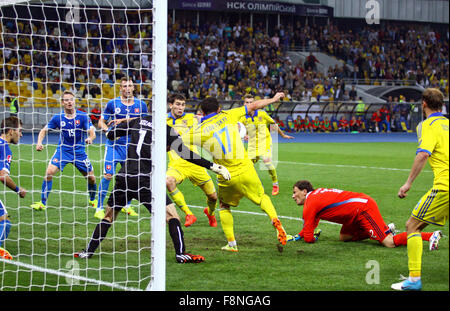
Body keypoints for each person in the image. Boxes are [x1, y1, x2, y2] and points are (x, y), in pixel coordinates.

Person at [74, 116, 231, 263]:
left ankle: (88, 251)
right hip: (144, 180)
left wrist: (118, 127)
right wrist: (213, 166)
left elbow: (111, 134)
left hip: (124, 177)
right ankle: (181, 254)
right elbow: (185, 153)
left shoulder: (138, 121)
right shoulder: (166, 129)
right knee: (171, 216)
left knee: (108, 217)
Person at [183, 93, 288, 252]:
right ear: (219, 109)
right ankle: (275, 220)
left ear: (203, 113)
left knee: (224, 206)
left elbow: (175, 141)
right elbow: (254, 105)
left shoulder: (198, 131)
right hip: (246, 168)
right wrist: (274, 99)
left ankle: (232, 244)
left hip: (226, 175)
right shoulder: (230, 114)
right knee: (261, 197)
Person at [392, 88, 449, 291]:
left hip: (445, 187)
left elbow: (423, 154)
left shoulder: (427, 125)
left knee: (412, 226)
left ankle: (414, 280)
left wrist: (408, 183)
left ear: (423, 103)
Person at [289, 180, 440, 249]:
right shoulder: (315, 196)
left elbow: (309, 238)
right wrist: (300, 235)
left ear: (304, 192)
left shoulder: (310, 203)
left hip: (362, 209)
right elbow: (311, 225)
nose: (293, 196)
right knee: (344, 237)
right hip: (354, 211)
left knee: (389, 243)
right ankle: (384, 229)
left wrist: (309, 236)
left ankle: (430, 235)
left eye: (295, 192)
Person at [30, 91, 97, 211]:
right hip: (63, 150)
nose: (69, 102)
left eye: (71, 99)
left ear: (74, 101)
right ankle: (42, 203)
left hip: (79, 151)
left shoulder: (83, 116)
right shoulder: (57, 118)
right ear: (62, 102)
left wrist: (90, 138)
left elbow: (92, 132)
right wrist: (39, 142)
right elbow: (43, 131)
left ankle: (92, 200)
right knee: (49, 173)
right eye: (66, 100)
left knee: (91, 178)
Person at [95, 77, 148, 219]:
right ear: (120, 88)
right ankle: (99, 207)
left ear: (134, 88)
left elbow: (144, 121)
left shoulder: (141, 104)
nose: (127, 89)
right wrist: (108, 132)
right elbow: (101, 122)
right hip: (114, 146)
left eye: (130, 86)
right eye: (124, 86)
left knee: (130, 177)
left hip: (132, 147)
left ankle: (127, 206)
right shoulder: (113, 103)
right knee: (108, 175)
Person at [166, 93, 218, 227]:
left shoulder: (192, 118)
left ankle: (210, 213)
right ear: (171, 105)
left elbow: (212, 120)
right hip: (177, 165)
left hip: (195, 163)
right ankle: (189, 214)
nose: (180, 108)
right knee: (168, 181)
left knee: (213, 197)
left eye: (183, 105)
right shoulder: (163, 121)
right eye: (177, 104)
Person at [239, 94, 294, 196]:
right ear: (244, 104)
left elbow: (273, 124)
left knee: (266, 161)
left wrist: (283, 135)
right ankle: (256, 185)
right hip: (252, 145)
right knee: (248, 166)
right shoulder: (242, 118)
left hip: (265, 142)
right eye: (247, 102)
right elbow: (239, 129)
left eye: (251, 102)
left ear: (254, 103)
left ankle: (275, 183)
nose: (249, 104)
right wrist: (244, 135)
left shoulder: (262, 114)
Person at [0, 116, 26, 260]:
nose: (21, 135)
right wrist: (18, 190)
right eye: (19, 131)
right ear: (10, 131)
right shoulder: (4, 148)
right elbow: (3, 176)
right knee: (4, 221)